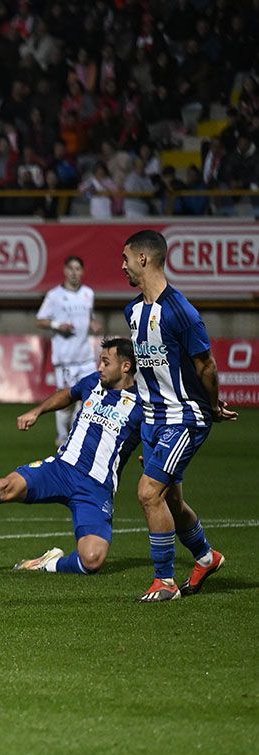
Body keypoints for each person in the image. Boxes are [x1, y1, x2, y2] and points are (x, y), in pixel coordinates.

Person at [0, 338, 142, 574]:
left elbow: (157, 435)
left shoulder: (142, 405)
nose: (99, 368)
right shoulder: (93, 383)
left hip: (95, 487)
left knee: (92, 560)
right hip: (60, 469)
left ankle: (47, 563)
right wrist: (38, 411)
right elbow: (68, 394)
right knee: (8, 486)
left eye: (106, 362)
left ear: (125, 366)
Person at [121, 229, 233, 602]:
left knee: (148, 493)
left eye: (125, 258)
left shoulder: (181, 312)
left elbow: (207, 366)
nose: (121, 266)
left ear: (144, 259)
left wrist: (213, 406)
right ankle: (206, 556)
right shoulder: (133, 311)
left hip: (183, 418)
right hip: (153, 419)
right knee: (170, 500)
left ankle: (164, 581)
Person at [36, 256, 101, 447]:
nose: (74, 272)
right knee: (66, 403)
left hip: (86, 358)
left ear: (82, 272)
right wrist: (57, 325)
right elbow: (40, 320)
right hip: (65, 360)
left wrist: (93, 323)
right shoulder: (54, 295)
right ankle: (62, 436)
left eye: (78, 269)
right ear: (65, 271)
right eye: (71, 269)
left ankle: (77, 437)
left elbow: (89, 316)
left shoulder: (88, 293)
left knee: (88, 399)